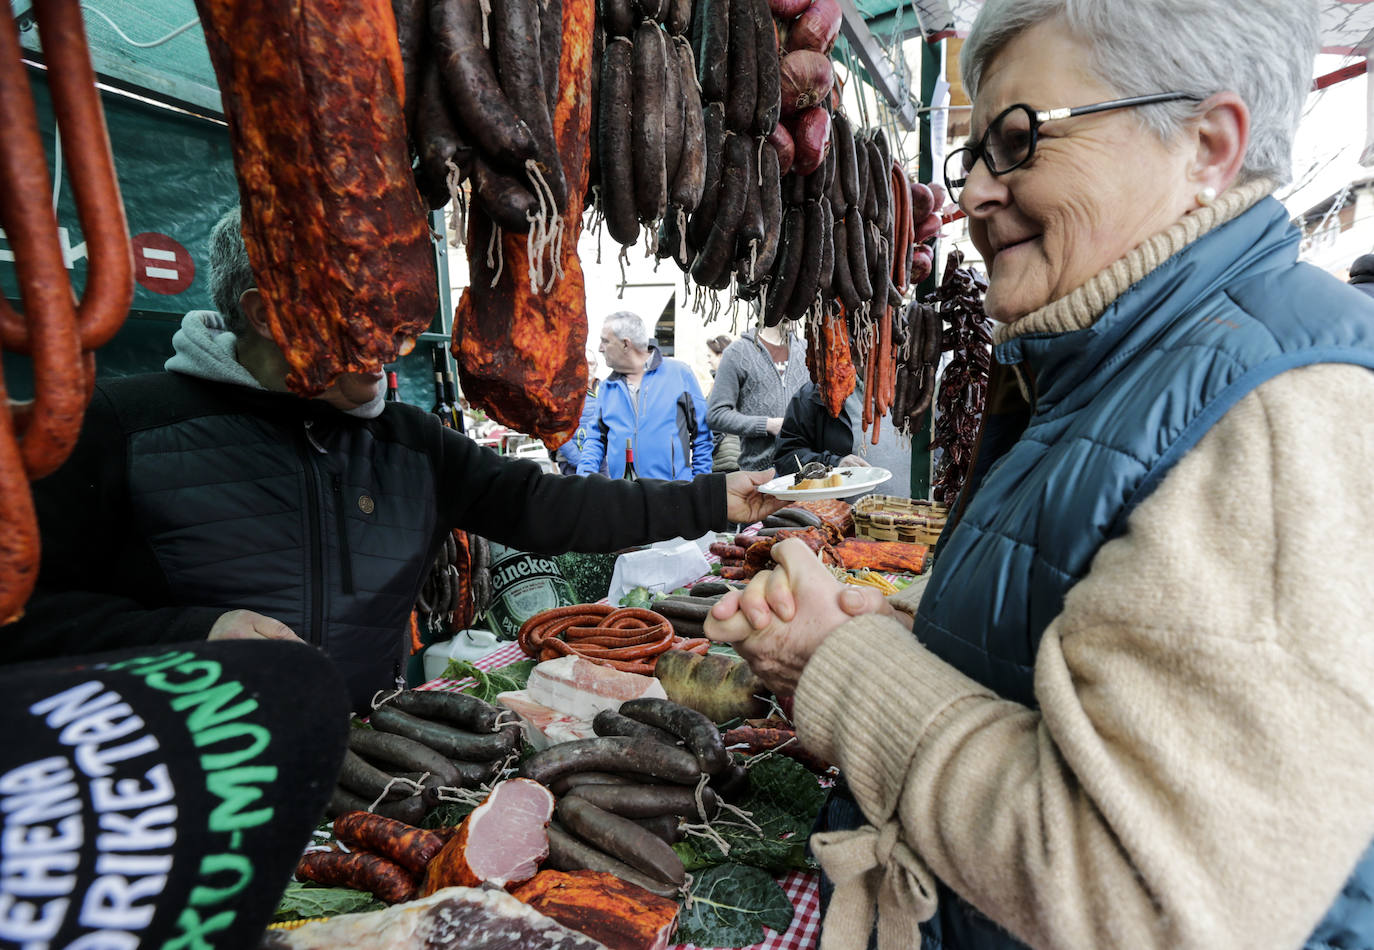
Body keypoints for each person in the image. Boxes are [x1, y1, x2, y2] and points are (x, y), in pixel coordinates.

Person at [705, 2, 1374, 948]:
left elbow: (1144, 898)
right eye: (972, 153)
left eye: (1018, 140)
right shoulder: (1118, 368)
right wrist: (910, 622)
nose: (974, 194)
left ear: (1206, 145)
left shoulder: (1277, 412)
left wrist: (839, 663)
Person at [4, 206, 783, 711]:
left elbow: (546, 508)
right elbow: (25, 622)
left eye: (394, 315)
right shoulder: (118, 426)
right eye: (359, 317)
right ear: (265, 314)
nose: (392, 344)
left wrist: (715, 501)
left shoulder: (406, 440)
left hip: (362, 773)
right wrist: (196, 631)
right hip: (168, 792)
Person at [577, 311, 714, 479]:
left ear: (626, 344)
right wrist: (584, 477)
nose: (600, 348)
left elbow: (703, 435)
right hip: (624, 495)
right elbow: (594, 439)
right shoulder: (607, 387)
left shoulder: (679, 374)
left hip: (674, 494)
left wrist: (699, 484)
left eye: (605, 341)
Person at [706, 323, 810, 473]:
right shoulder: (737, 352)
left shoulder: (807, 350)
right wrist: (767, 425)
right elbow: (715, 414)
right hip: (758, 474)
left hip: (808, 471)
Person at [773, 381, 870, 474]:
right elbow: (787, 457)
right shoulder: (814, 394)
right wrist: (833, 464)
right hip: (840, 489)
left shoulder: (884, 392)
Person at [554, 352, 606, 475]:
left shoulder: (605, 390)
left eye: (591, 364)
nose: (588, 367)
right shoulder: (562, 393)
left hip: (600, 461)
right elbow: (559, 431)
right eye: (584, 363)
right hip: (571, 461)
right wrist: (580, 461)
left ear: (597, 366)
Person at [705, 334, 741, 473]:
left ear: (721, 356)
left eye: (710, 356)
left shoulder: (724, 384)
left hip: (726, 458)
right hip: (730, 456)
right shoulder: (736, 379)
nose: (708, 361)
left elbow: (712, 417)